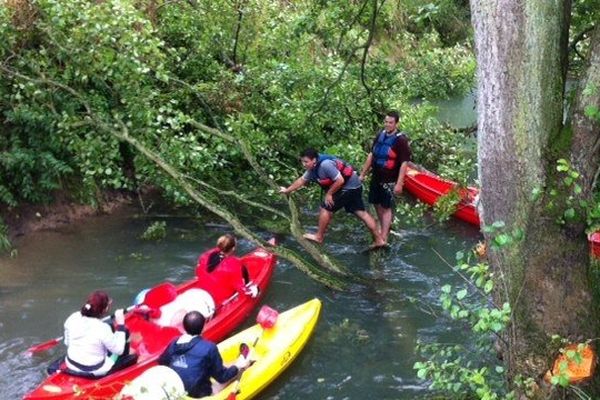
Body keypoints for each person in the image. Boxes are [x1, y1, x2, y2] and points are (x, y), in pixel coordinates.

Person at [279, 148, 385, 247]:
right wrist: (287, 190)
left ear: (314, 160)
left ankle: (319, 237)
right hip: (355, 185)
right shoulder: (313, 168)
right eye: (302, 161)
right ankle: (379, 240)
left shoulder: (325, 165)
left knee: (326, 208)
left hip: (349, 187)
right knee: (361, 212)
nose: (303, 164)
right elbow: (302, 180)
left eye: (306, 162)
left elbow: (340, 180)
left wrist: (329, 194)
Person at [158, 311, 250, 398]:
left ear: (184, 326)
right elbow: (222, 377)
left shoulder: (174, 342)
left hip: (176, 389)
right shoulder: (209, 347)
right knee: (230, 373)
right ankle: (242, 364)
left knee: (205, 366)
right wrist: (238, 366)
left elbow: (162, 362)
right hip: (199, 394)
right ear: (203, 327)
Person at [359, 111, 411, 243]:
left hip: (390, 179)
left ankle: (384, 236)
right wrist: (363, 174)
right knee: (376, 203)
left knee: (386, 206)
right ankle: (383, 227)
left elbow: (404, 163)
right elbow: (371, 155)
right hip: (376, 176)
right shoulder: (380, 135)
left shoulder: (401, 140)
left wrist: (399, 184)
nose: (387, 125)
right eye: (386, 122)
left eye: (390, 122)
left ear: (396, 123)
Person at [62, 290, 137, 377]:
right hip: (95, 370)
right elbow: (119, 350)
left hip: (71, 363)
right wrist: (120, 324)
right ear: (105, 309)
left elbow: (67, 343)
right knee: (124, 333)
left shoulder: (73, 317)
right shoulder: (103, 328)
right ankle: (126, 359)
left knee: (109, 327)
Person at [195, 234, 259, 304]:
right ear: (233, 248)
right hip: (220, 298)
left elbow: (198, 272)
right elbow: (240, 288)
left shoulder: (205, 255)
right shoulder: (233, 263)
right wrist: (253, 290)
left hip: (203, 291)